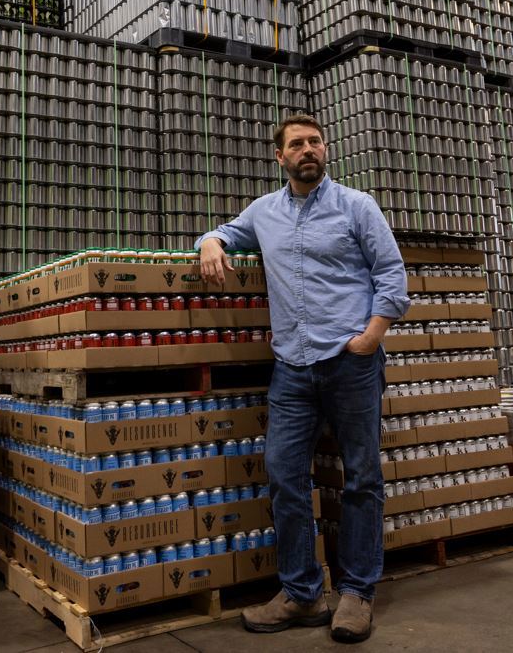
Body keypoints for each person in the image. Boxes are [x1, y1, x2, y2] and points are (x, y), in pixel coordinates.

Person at [197, 113, 409, 644]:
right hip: (292, 366)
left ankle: (357, 593)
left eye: (315, 141)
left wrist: (370, 337)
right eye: (297, 144)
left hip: (351, 362)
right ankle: (302, 592)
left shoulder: (357, 206)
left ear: (325, 150)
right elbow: (227, 231)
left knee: (361, 478)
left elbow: (392, 276)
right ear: (280, 157)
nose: (308, 150)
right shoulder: (263, 212)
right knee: (284, 474)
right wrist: (210, 242)